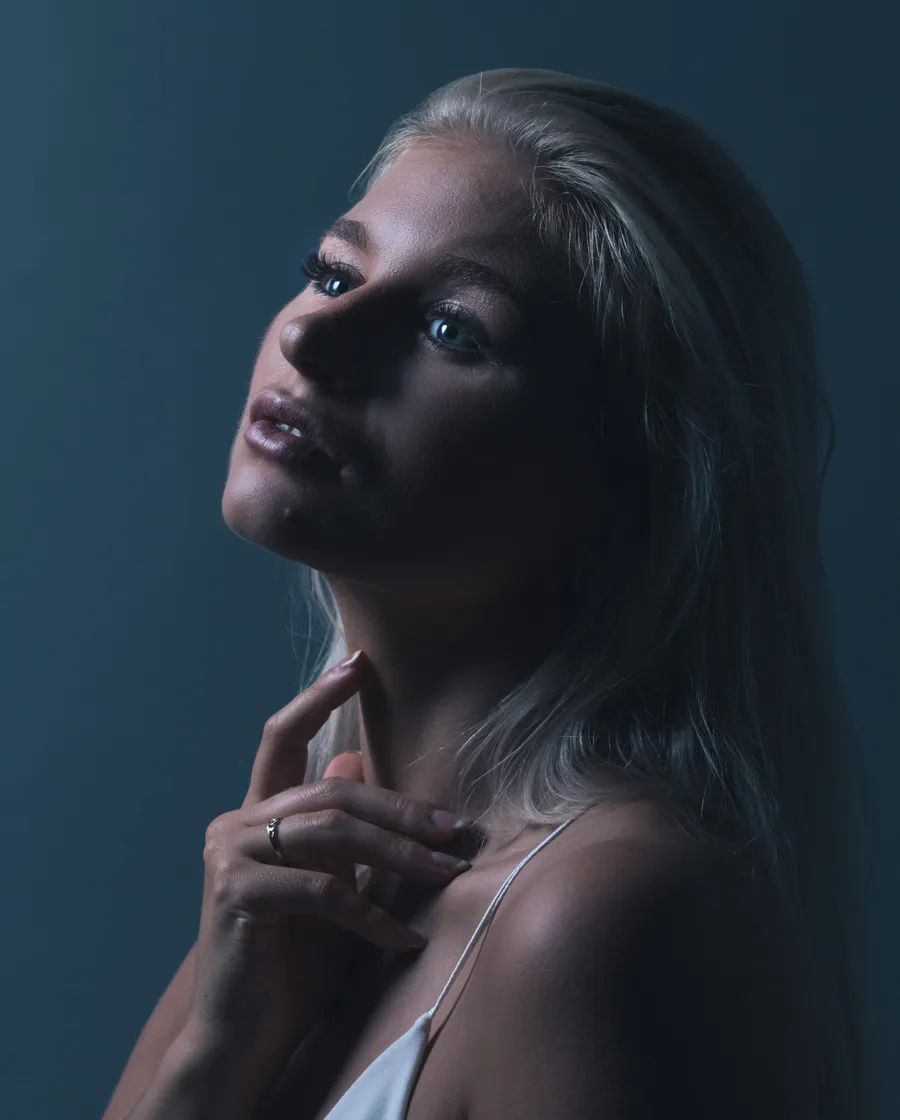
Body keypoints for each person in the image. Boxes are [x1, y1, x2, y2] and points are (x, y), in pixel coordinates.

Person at [103, 68, 877, 1120]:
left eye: (452, 331)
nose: (311, 338)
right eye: (332, 274)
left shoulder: (603, 917)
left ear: (625, 480)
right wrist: (215, 1058)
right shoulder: (283, 886)